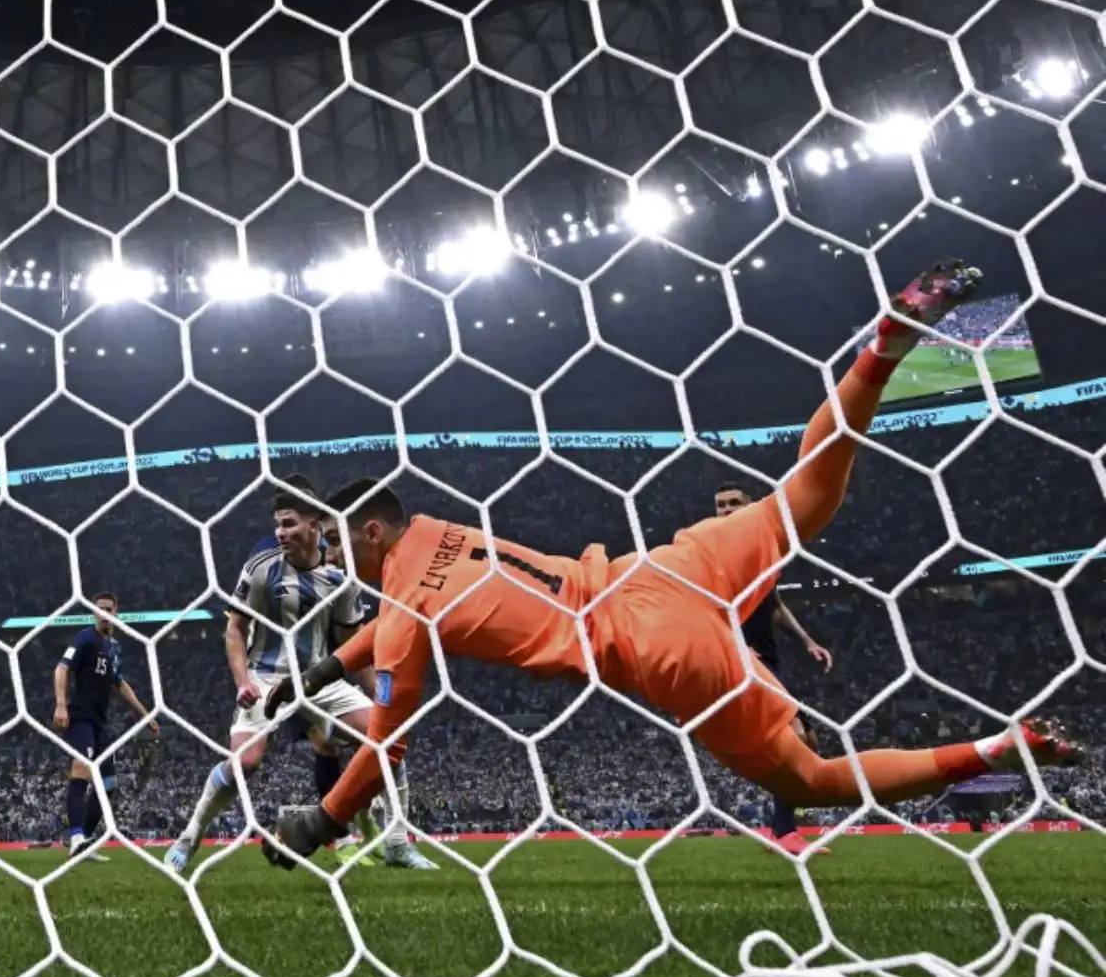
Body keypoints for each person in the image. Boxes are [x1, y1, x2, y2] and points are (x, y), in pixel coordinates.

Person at [263, 262, 1083, 868]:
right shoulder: (437, 532)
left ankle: (996, 749)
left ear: (374, 533)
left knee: (810, 779)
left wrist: (322, 822)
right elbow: (391, 621)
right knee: (805, 496)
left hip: (652, 642)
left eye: (336, 542)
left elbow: (385, 743)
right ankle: (880, 353)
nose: (330, 557)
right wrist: (321, 671)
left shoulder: (406, 611)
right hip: (663, 568)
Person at [166, 484, 434, 874]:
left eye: (289, 524)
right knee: (245, 763)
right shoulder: (261, 567)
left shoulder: (339, 575)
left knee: (387, 738)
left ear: (313, 525)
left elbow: (353, 643)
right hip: (266, 677)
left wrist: (379, 695)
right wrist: (242, 681)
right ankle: (189, 837)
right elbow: (235, 630)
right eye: (277, 525)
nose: (280, 533)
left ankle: (396, 844)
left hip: (318, 679)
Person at [713, 482, 834, 855]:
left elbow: (776, 606)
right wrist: (733, 647)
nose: (727, 510)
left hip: (770, 661)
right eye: (720, 505)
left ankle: (779, 827)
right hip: (740, 662)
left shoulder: (763, 553)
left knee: (808, 742)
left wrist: (808, 642)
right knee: (792, 738)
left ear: (749, 506)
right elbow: (703, 609)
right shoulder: (712, 555)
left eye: (734, 503)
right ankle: (784, 832)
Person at [53, 593, 159, 858]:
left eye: (108, 609)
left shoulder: (114, 647)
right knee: (81, 770)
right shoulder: (85, 638)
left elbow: (119, 684)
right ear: (94, 612)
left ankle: (85, 841)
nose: (104, 614)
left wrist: (145, 715)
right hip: (80, 717)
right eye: (99, 609)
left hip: (100, 722)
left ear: (116, 612)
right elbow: (62, 668)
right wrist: (61, 704)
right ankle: (75, 837)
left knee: (109, 782)